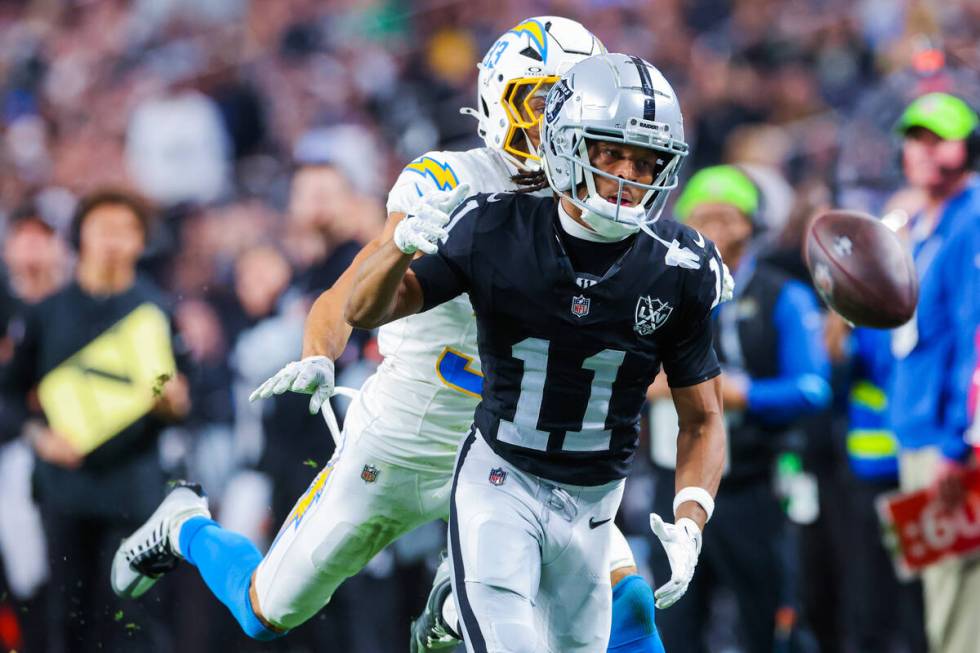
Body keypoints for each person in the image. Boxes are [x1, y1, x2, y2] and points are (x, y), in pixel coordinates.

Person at [110, 17, 668, 653]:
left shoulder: (602, 206)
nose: (553, 122)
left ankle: (456, 608)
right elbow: (346, 293)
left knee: (628, 606)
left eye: (570, 104)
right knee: (266, 610)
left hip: (521, 448)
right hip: (411, 435)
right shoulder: (454, 181)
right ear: (498, 99)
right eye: (540, 101)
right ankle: (185, 525)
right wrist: (321, 352)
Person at [344, 52, 729, 653]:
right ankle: (450, 603)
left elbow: (702, 417)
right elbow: (364, 311)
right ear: (566, 145)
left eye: (647, 160)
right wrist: (398, 245)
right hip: (501, 479)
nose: (629, 175)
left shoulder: (679, 265)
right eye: (610, 153)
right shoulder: (495, 227)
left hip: (598, 503)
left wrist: (692, 517)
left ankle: (447, 611)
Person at [647, 165, 831, 652]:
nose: (710, 230)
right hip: (673, 485)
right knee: (674, 625)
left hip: (752, 484)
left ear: (751, 224)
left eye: (724, 217)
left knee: (766, 622)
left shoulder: (783, 296)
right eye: (699, 217)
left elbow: (812, 388)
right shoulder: (655, 294)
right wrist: (650, 384)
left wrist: (739, 393)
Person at [1, 189, 190, 653]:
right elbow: (7, 395)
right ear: (79, 237)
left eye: (125, 231)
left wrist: (174, 403)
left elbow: (189, 397)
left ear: (140, 242)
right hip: (65, 486)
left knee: (137, 618)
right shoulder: (45, 313)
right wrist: (39, 437)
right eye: (102, 229)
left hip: (136, 487)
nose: (112, 241)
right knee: (68, 614)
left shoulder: (158, 310)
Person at [887, 92, 980, 653]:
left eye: (936, 137)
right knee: (938, 590)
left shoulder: (973, 218)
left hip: (949, 440)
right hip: (917, 429)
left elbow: (978, 339)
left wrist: (962, 440)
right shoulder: (919, 222)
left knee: (961, 593)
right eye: (913, 137)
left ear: (967, 147)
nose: (921, 149)